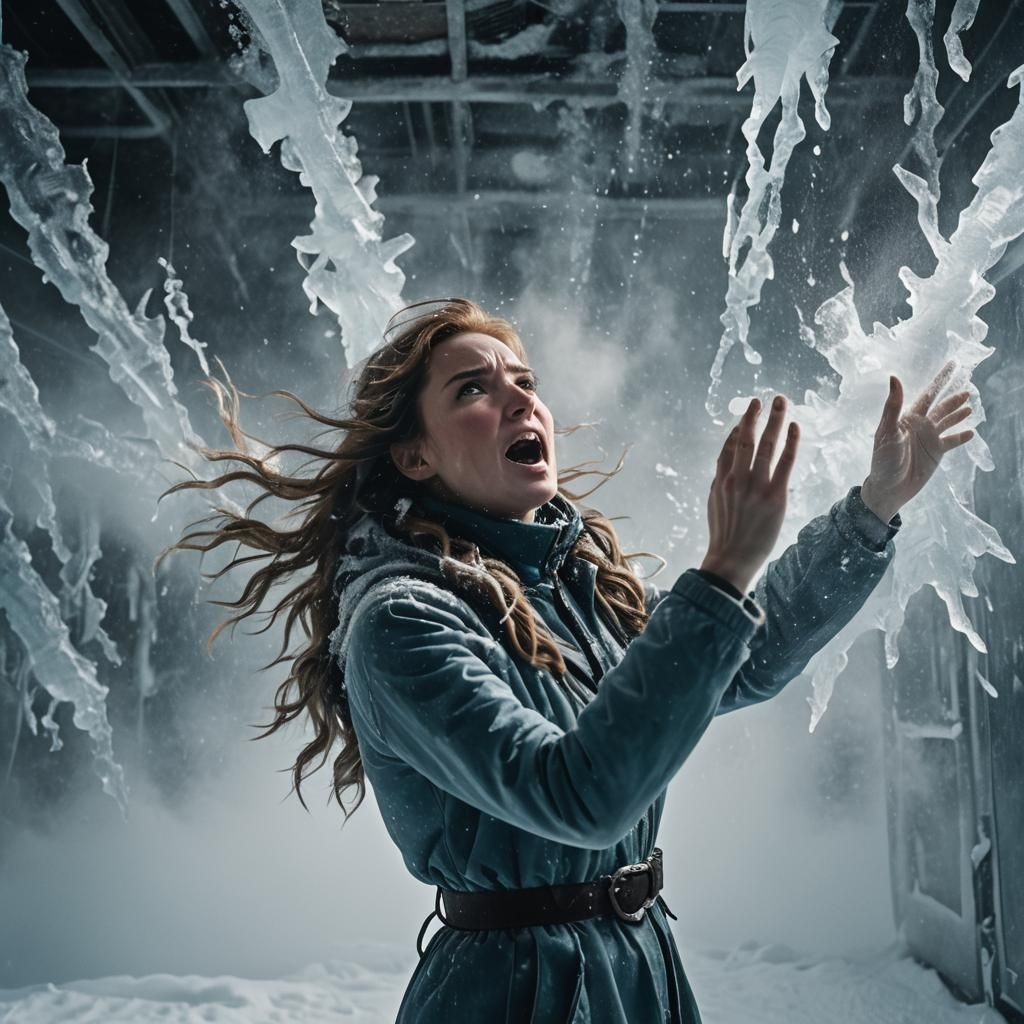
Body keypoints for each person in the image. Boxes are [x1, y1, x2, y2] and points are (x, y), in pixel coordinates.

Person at [159, 297, 974, 1022]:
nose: (519, 396)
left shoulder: (577, 586)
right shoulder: (399, 623)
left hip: (641, 971)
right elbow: (576, 797)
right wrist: (721, 571)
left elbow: (741, 660)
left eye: (524, 378)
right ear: (414, 457)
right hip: (514, 991)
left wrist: (872, 510)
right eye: (473, 389)